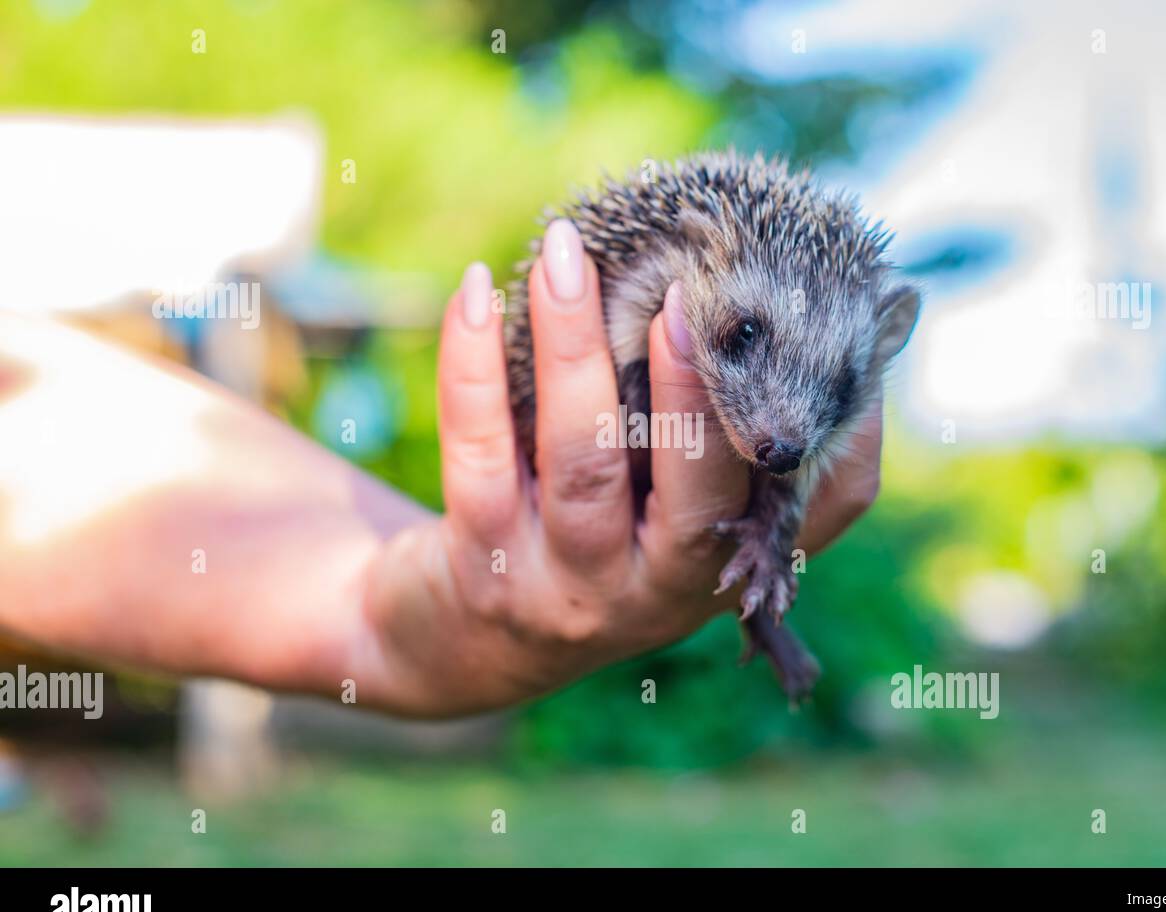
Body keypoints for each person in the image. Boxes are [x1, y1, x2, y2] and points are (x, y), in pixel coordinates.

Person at [0, 221, 883, 717]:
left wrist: (394, 609)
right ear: (686, 262)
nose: (784, 429)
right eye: (744, 339)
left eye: (833, 385)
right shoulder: (651, 282)